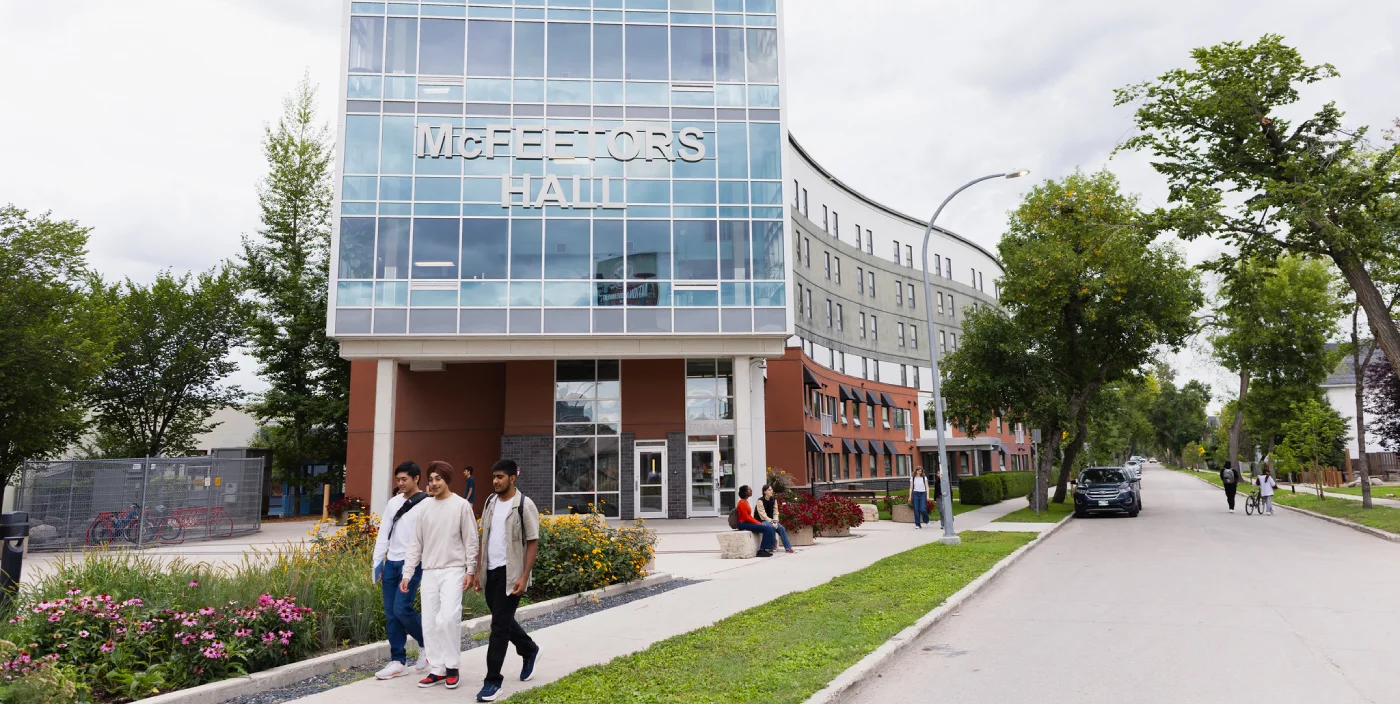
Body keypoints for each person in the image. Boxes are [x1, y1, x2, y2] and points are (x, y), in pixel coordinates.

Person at [401, 461, 478, 690]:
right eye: (431, 479)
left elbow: (471, 540)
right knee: (430, 622)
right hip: (429, 571)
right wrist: (407, 573)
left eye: (438, 479)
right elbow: (416, 543)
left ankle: (452, 667)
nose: (433, 483)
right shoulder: (424, 508)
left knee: (449, 618)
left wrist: (470, 570)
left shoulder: (461, 505)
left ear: (447, 480)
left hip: (454, 570)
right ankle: (437, 669)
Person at [471, 459, 542, 703]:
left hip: (511, 574)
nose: (495, 481)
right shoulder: (491, 502)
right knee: (502, 620)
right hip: (490, 573)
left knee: (499, 628)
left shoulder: (524, 504)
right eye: (494, 477)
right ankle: (529, 649)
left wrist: (524, 577)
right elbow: (486, 539)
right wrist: (480, 571)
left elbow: (532, 542)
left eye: (500, 477)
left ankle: (492, 682)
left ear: (513, 478)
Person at [371, 461, 430, 680]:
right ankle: (398, 661)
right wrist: (377, 563)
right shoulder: (393, 503)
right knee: (390, 614)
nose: (400, 483)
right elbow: (384, 533)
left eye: (404, 479)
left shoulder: (427, 504)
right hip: (391, 563)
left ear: (416, 478)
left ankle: (427, 644)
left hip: (412, 563)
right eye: (398, 479)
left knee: (401, 608)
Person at [734, 485, 777, 557]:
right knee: (766, 528)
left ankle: (769, 546)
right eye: (749, 490)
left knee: (769, 527)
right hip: (742, 524)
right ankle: (761, 550)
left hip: (746, 522)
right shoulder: (742, 503)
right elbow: (746, 517)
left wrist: (759, 523)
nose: (751, 490)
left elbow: (749, 516)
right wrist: (759, 523)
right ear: (745, 492)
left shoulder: (746, 502)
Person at [754, 485, 795, 553]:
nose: (771, 491)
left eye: (771, 489)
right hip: (761, 520)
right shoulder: (760, 501)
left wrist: (775, 521)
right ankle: (772, 544)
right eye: (769, 490)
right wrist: (772, 522)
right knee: (771, 527)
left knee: (781, 528)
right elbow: (762, 514)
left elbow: (776, 512)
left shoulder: (773, 499)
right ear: (764, 492)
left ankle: (788, 547)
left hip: (771, 520)